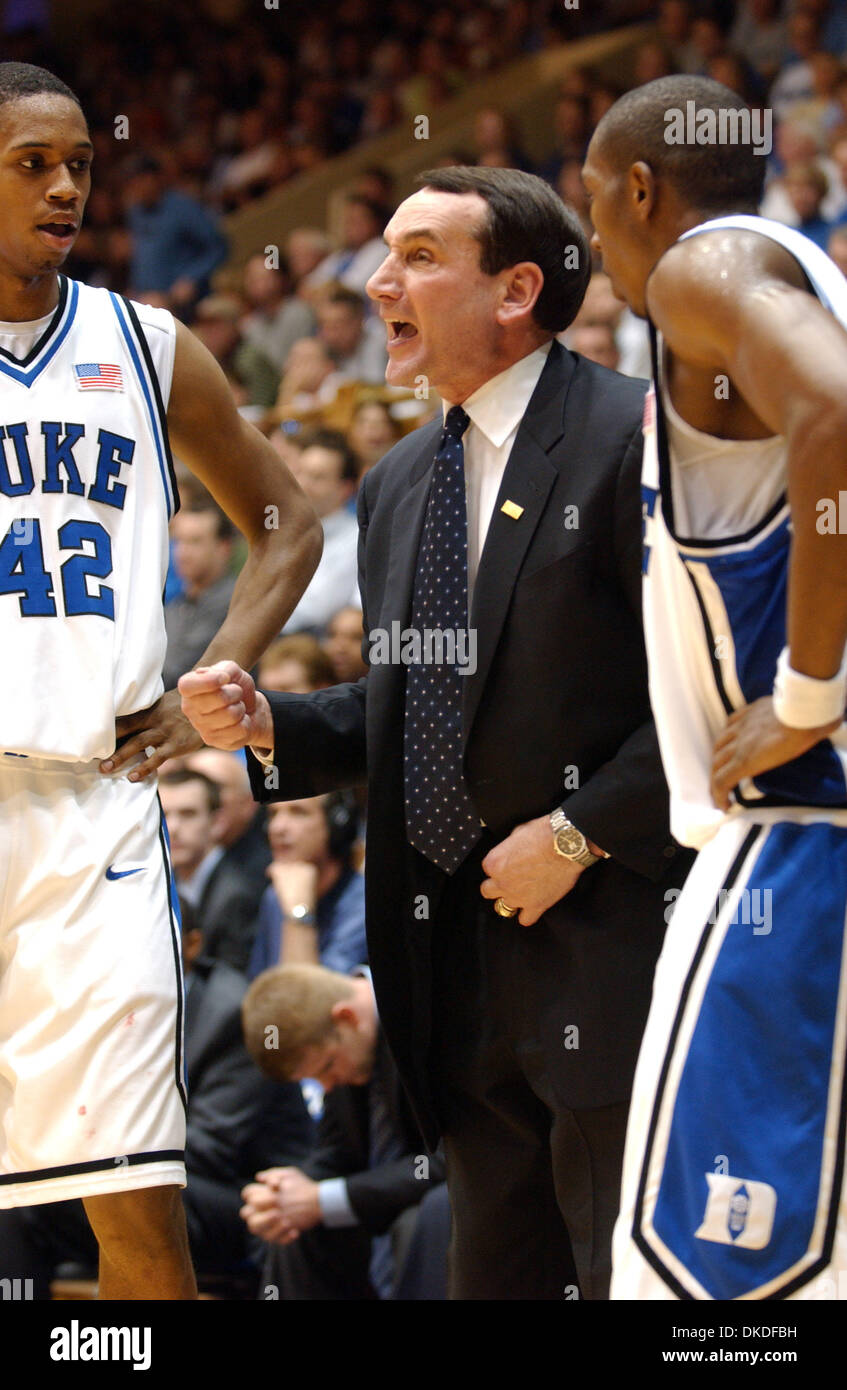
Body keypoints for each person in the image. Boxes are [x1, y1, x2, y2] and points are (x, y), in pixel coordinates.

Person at [179, 165, 691, 1300]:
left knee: (632, 1271)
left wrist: (576, 834)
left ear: (515, 289)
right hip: (444, 963)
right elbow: (411, 707)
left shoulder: (632, 435)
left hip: (610, 946)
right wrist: (272, 725)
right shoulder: (402, 479)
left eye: (416, 256)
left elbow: (706, 694)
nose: (376, 282)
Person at [0, 62, 321, 1301]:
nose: (68, 185)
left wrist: (202, 677)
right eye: (35, 162)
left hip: (95, 818)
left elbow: (288, 519)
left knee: (138, 1211)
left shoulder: (147, 344)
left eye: (81, 161)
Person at [581, 73, 847, 1301]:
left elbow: (835, 411)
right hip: (796, 839)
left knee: (704, 1292)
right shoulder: (797, 264)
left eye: (592, 203)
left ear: (640, 187)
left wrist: (805, 694)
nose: (593, 237)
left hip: (796, 836)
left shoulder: (702, 269)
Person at [0, 900, 315, 1296]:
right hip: (148, 1173)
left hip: (247, 1200)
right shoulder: (108, 1011)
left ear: (192, 944)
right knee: (18, 1188)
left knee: (58, 1188)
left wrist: (88, 1151)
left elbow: (212, 1149)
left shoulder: (234, 1014)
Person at [241, 964, 447, 1300]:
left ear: (347, 1018)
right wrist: (285, 1198)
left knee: (420, 1221)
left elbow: (452, 1160)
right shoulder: (342, 1045)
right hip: (386, 1198)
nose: (327, 1084)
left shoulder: (429, 1010)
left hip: (449, 1195)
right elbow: (337, 1152)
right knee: (294, 1230)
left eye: (326, 1068)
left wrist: (320, 1200)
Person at [247, 792, 366, 980]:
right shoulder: (275, 895)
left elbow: (309, 1004)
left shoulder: (364, 904)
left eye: (298, 813)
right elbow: (260, 989)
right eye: (273, 814)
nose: (278, 828)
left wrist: (298, 912)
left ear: (337, 824)